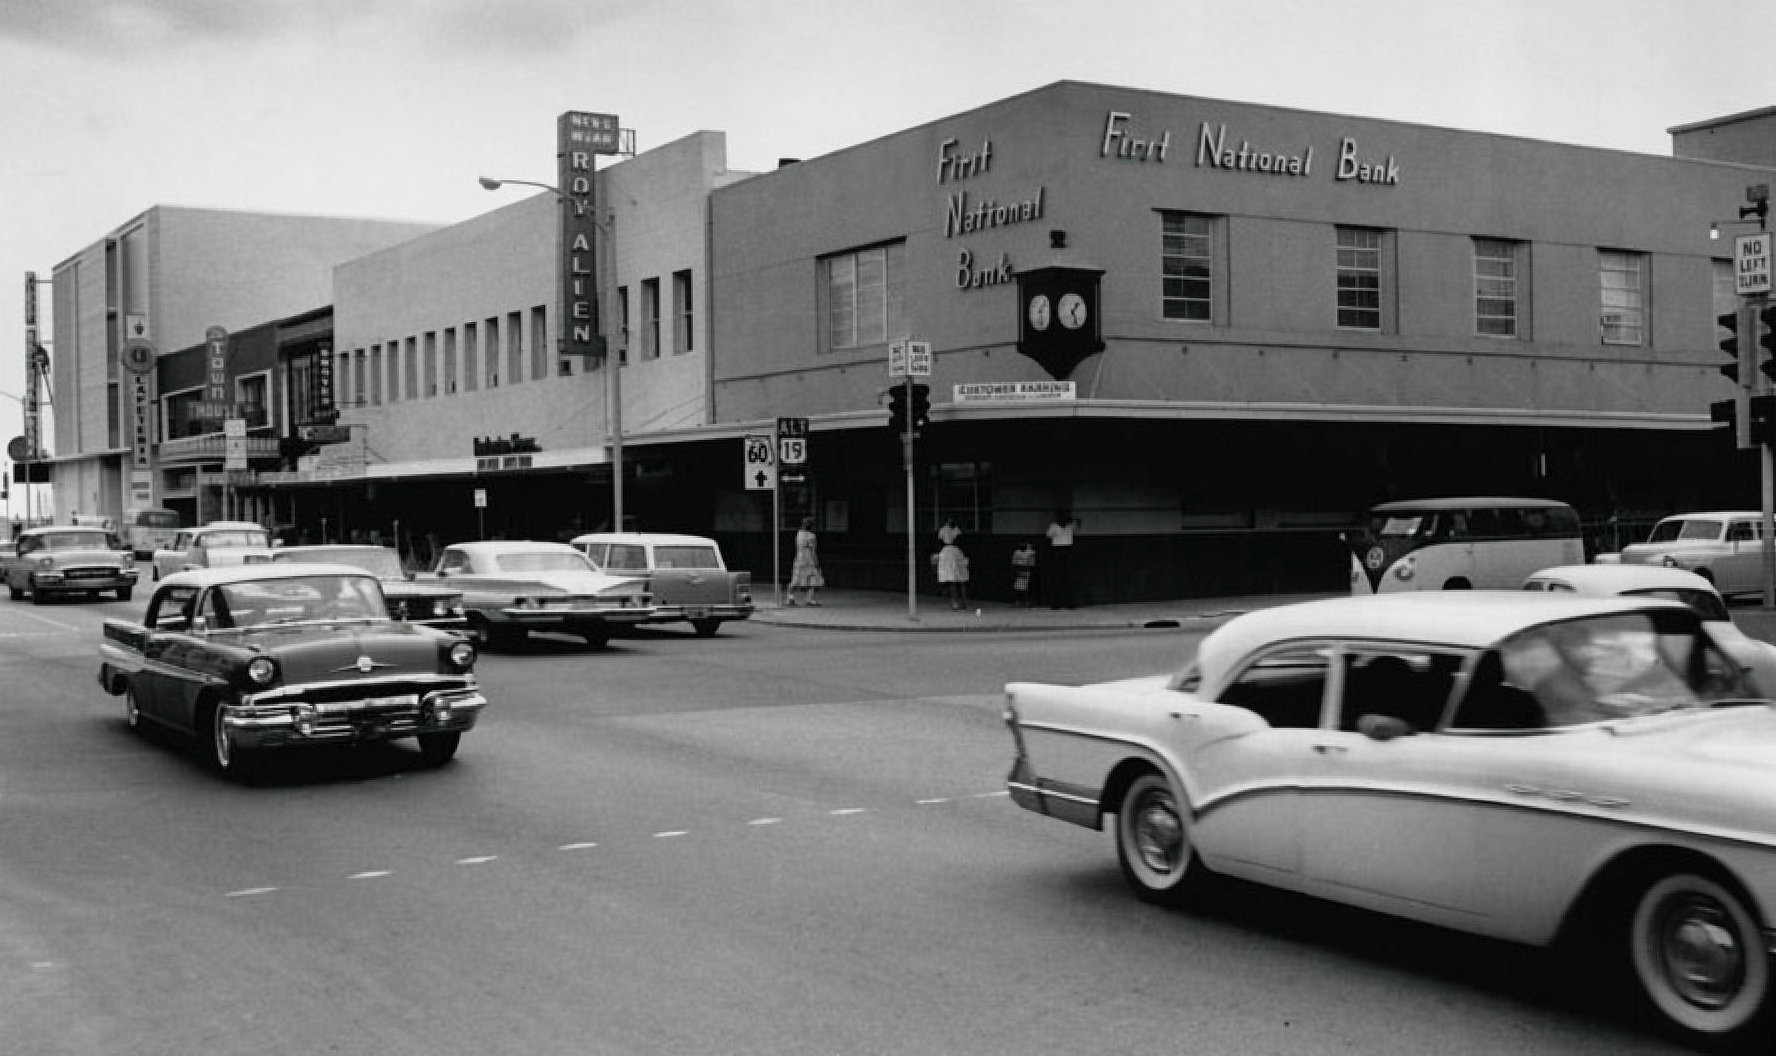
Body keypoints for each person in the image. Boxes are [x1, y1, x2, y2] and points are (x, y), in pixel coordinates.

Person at [786, 516, 823, 606]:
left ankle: (790, 598)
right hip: (809, 559)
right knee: (813, 579)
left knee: (796, 579)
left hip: (799, 558)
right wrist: (817, 563)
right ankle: (810, 599)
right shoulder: (812, 536)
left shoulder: (799, 534)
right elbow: (813, 551)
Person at [1045, 509, 1078, 608]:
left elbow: (1077, 525)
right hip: (1057, 550)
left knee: (1068, 576)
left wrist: (1071, 520)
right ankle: (1056, 603)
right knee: (1057, 577)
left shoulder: (1070, 525)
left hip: (1067, 549)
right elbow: (1048, 535)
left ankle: (1069, 603)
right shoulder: (1054, 525)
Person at [935, 518, 969, 610]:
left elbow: (959, 541)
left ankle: (962, 602)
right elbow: (940, 542)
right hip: (949, 552)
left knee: (959, 578)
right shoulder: (944, 530)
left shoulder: (956, 529)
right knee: (953, 579)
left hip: (954, 552)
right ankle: (956, 602)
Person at [1010, 541, 1037, 606]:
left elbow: (1032, 563)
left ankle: (1027, 601)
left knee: (1027, 587)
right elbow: (1014, 562)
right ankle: (1018, 600)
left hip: (1027, 571)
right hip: (1019, 570)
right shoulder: (1017, 552)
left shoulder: (1031, 553)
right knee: (1018, 587)